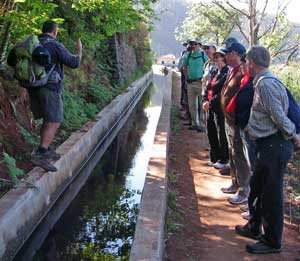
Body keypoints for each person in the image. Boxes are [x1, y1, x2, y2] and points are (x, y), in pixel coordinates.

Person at [235, 46, 295, 254]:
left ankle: (272, 241)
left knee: (270, 194)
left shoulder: (266, 85)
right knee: (258, 188)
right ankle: (254, 226)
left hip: (274, 144)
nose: (245, 65)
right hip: (266, 144)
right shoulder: (265, 81)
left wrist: (293, 136)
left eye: (247, 62)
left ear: (251, 63)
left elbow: (278, 116)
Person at [7, 20, 82, 172]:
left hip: (33, 87)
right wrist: (79, 51)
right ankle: (40, 154)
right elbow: (73, 63)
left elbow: (11, 62)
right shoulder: (54, 45)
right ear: (54, 31)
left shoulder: (32, 44)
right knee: (54, 120)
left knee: (49, 119)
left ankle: (45, 149)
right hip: (50, 88)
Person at [220, 42, 251, 205]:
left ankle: (244, 190)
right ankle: (235, 182)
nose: (225, 56)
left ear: (235, 54)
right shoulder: (233, 70)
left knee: (239, 155)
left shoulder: (244, 72)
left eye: (228, 53)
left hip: (238, 122)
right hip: (230, 121)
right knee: (233, 152)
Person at [226, 54, 255, 219]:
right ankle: (246, 195)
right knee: (239, 157)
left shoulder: (261, 83)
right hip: (239, 126)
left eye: (246, 63)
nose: (243, 66)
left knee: (249, 163)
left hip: (249, 132)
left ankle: (248, 196)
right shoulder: (245, 80)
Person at [202, 48, 229, 168]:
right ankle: (214, 157)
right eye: (215, 58)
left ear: (223, 58)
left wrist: (210, 102)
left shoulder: (226, 73)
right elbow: (208, 88)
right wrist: (205, 100)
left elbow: (222, 92)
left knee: (221, 132)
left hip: (219, 108)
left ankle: (223, 159)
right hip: (209, 107)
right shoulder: (214, 71)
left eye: (218, 57)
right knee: (211, 131)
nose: (216, 60)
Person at [182, 38, 208, 132]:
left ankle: (202, 125)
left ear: (199, 45)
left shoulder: (202, 54)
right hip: (190, 83)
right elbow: (183, 66)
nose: (194, 46)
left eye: (196, 44)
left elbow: (208, 66)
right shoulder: (188, 55)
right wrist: (186, 77)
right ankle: (194, 123)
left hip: (200, 82)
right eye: (192, 44)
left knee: (202, 105)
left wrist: (205, 80)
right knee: (192, 104)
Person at [178, 41, 192, 123]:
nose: (188, 46)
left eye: (189, 44)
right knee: (184, 93)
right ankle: (186, 113)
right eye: (187, 45)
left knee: (188, 95)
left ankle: (189, 116)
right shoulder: (184, 53)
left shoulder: (194, 55)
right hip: (184, 76)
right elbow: (181, 64)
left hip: (189, 77)